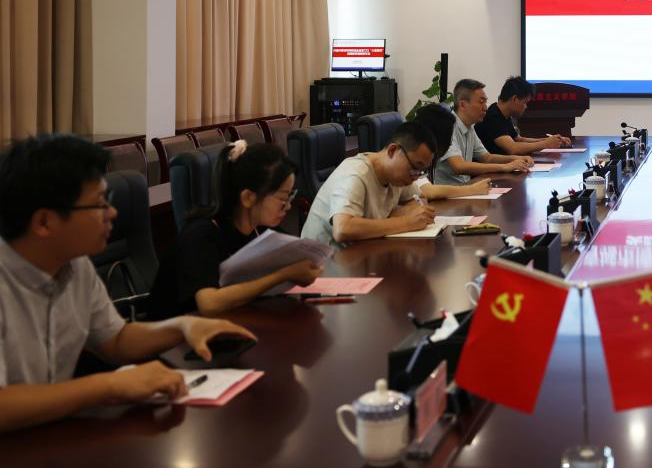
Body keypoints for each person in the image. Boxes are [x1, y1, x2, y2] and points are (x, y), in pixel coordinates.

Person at [0, 135, 254, 433]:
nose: (113, 213)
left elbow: (116, 340)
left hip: (49, 436)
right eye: (99, 204)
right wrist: (111, 385)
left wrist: (182, 327)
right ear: (44, 222)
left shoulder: (74, 265)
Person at [147, 141, 323, 319]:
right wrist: (283, 275)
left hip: (230, 323)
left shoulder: (259, 229)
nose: (288, 206)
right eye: (283, 198)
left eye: (290, 196)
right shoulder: (201, 235)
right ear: (248, 198)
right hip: (177, 332)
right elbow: (209, 304)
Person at [300, 121, 440, 246]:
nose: (416, 177)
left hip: (361, 252)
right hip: (324, 260)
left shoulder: (399, 176)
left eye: (422, 171)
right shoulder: (355, 174)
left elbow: (419, 199)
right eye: (415, 167)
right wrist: (406, 222)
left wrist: (405, 213)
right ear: (392, 151)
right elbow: (342, 229)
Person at [433, 79, 533, 185]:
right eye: (481, 102)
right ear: (462, 105)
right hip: (449, 193)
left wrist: (517, 159)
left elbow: (487, 158)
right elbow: (459, 166)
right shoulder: (448, 127)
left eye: (485, 102)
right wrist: (505, 167)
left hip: (466, 188)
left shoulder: (469, 127)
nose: (485, 107)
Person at [410, 102, 496, 200]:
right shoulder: (413, 159)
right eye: (449, 139)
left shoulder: (426, 160)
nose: (450, 143)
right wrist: (472, 189)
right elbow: (429, 191)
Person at [475, 76, 572, 156]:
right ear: (515, 99)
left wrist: (550, 140)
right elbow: (513, 148)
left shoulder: (502, 113)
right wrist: (545, 144)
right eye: (525, 102)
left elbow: (519, 139)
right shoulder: (493, 117)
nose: (525, 107)